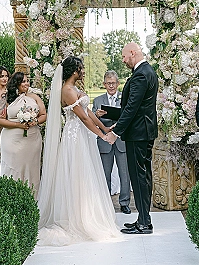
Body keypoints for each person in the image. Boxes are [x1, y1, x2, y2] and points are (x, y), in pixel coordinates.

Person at [37, 56, 119, 246]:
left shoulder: (76, 89)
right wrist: (101, 135)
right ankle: (76, 218)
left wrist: (105, 128)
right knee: (77, 175)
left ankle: (88, 214)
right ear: (74, 70)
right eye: (81, 69)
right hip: (74, 137)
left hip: (83, 136)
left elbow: (89, 112)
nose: (83, 72)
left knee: (87, 173)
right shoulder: (66, 90)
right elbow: (82, 118)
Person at [107, 42, 158, 235]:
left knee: (139, 177)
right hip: (142, 131)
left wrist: (116, 132)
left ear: (132, 53)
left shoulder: (141, 75)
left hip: (138, 134)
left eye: (123, 56)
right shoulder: (146, 71)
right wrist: (114, 119)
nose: (123, 60)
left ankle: (144, 223)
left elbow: (132, 108)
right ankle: (144, 218)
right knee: (142, 176)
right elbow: (136, 108)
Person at [0, 72, 46, 198]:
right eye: (23, 81)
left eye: (27, 81)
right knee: (13, 168)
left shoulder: (34, 97)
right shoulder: (8, 98)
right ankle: (10, 198)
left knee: (31, 169)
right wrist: (18, 125)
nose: (27, 84)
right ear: (16, 83)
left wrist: (35, 121)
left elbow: (44, 114)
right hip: (12, 141)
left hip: (32, 140)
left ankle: (32, 198)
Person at [92, 70, 131, 214]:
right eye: (108, 83)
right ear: (104, 84)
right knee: (104, 174)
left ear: (118, 83)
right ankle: (106, 203)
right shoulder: (98, 101)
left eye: (113, 83)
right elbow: (91, 121)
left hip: (121, 140)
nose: (111, 86)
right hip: (104, 141)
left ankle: (125, 202)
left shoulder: (125, 98)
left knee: (124, 174)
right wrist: (96, 115)